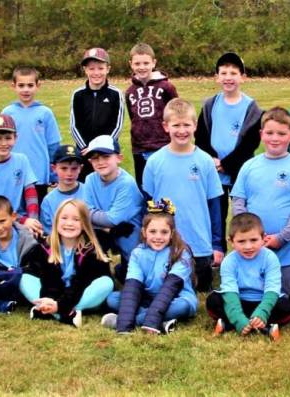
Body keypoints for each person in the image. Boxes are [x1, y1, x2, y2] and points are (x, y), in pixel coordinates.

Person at [231, 107, 290, 295]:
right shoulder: (249, 166)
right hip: (253, 247)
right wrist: (249, 235)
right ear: (261, 134)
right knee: (253, 293)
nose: (275, 138)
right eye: (269, 133)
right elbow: (238, 201)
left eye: (281, 133)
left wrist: (282, 237)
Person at [143, 98, 223, 292]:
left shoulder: (204, 161)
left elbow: (215, 204)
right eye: (176, 125)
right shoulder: (155, 162)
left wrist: (217, 244)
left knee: (200, 288)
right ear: (165, 126)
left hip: (199, 244)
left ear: (194, 125)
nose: (181, 130)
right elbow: (148, 203)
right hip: (165, 242)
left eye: (186, 124)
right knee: (164, 287)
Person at [195, 52, 262, 252]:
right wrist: (213, 161)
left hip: (238, 172)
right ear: (217, 77)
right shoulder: (210, 105)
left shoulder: (252, 108)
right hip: (213, 172)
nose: (228, 77)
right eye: (223, 73)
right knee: (215, 213)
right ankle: (217, 251)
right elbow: (201, 137)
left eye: (233, 72)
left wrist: (226, 164)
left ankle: (245, 248)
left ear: (243, 77)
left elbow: (250, 143)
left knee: (242, 214)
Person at [101, 199, 198, 334]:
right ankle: (162, 322)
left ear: (172, 233)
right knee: (113, 299)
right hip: (146, 298)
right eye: (153, 231)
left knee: (183, 306)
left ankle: (134, 320)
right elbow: (132, 286)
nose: (158, 237)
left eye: (164, 232)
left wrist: (140, 321)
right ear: (144, 232)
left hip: (174, 298)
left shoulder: (181, 253)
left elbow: (170, 288)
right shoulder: (138, 253)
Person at [19, 199, 113, 327]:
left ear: (84, 224)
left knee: (106, 283)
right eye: (64, 218)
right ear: (56, 221)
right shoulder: (44, 247)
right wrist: (49, 299)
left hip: (81, 293)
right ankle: (56, 310)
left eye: (76, 219)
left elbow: (80, 283)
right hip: (54, 292)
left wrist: (60, 305)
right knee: (24, 278)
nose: (69, 223)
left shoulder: (91, 250)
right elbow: (48, 280)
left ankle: (56, 310)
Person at [207, 213, 290, 341]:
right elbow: (230, 290)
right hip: (239, 301)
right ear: (231, 242)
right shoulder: (229, 261)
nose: (248, 246)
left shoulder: (270, 258)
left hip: (263, 300)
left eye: (253, 240)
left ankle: (230, 324)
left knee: (287, 306)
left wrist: (263, 312)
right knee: (213, 301)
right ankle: (255, 325)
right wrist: (238, 318)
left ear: (263, 238)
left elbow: (273, 288)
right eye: (241, 241)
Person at [82, 135, 143, 276]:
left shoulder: (126, 183)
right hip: (105, 231)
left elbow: (112, 219)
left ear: (119, 158)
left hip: (130, 235)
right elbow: (84, 212)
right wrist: (105, 225)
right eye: (95, 158)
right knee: (90, 247)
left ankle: (125, 268)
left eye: (105, 156)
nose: (100, 162)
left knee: (131, 275)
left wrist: (90, 215)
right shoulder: (90, 179)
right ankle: (101, 273)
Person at [0, 114, 42, 237]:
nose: (3, 143)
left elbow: (30, 191)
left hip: (21, 221)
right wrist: (24, 221)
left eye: (8, 138)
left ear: (15, 138)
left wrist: (33, 220)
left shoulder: (22, 160)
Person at [2, 66, 61, 203]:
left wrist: (53, 173)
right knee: (14, 212)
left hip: (38, 174)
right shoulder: (7, 113)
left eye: (30, 85)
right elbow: (1, 145)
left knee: (37, 214)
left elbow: (53, 145)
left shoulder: (45, 113)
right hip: (13, 173)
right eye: (21, 85)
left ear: (37, 86)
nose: (26, 89)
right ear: (13, 86)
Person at [125, 43, 179, 188]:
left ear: (154, 63)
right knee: (145, 187)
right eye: (137, 63)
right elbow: (133, 116)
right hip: (140, 147)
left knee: (165, 186)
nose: (141, 67)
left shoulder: (166, 87)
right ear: (131, 64)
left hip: (162, 144)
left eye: (146, 63)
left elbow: (176, 113)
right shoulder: (130, 91)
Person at [69, 47, 125, 181]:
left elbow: (117, 125)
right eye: (91, 68)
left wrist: (104, 146)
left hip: (107, 150)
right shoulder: (78, 95)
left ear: (108, 69)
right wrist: (86, 148)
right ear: (85, 70)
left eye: (100, 68)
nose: (96, 72)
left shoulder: (115, 94)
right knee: (85, 186)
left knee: (107, 182)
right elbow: (74, 126)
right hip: (85, 152)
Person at [40, 145, 85, 235]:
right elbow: (48, 232)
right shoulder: (49, 201)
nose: (69, 173)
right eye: (64, 168)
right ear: (54, 168)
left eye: (74, 168)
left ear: (81, 168)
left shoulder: (89, 192)